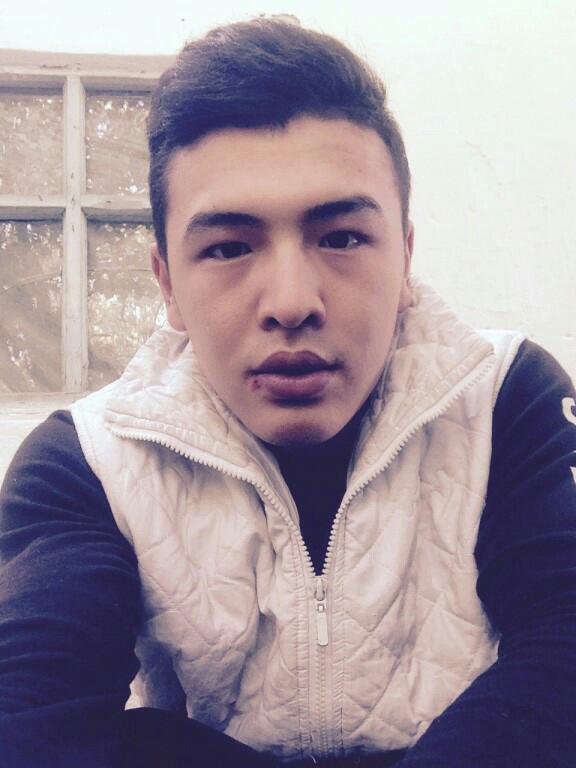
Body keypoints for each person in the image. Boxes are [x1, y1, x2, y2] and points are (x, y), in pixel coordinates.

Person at [1, 17, 575, 768]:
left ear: (405, 259)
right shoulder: (85, 462)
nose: (292, 302)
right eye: (228, 248)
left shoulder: (506, 399)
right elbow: (31, 715)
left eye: (341, 238)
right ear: (168, 285)